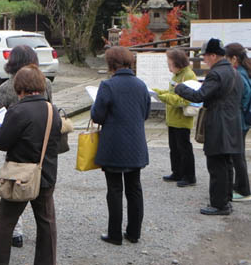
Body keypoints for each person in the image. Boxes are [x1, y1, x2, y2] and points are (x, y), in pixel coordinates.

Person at [0, 65, 62, 265]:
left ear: (19, 87)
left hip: (19, 176)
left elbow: (1, 142)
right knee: (46, 223)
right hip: (45, 172)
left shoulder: (17, 111)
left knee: (6, 222)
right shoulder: (51, 109)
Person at [175, 38, 243, 215]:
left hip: (218, 123)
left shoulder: (216, 73)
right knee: (227, 164)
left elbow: (200, 96)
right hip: (232, 122)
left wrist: (180, 88)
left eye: (205, 56)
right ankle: (226, 200)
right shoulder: (235, 72)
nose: (204, 59)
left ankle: (218, 204)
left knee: (216, 165)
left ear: (214, 55)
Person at [0, 44, 53, 249]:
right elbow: (49, 112)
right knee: (45, 217)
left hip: (18, 155)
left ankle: (16, 235)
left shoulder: (6, 88)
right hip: (44, 154)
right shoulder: (45, 84)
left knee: (10, 207)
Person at [91, 46, 150, 245]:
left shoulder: (107, 86)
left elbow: (97, 115)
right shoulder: (141, 85)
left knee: (114, 189)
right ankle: (134, 233)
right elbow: (146, 113)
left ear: (111, 64)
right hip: (136, 142)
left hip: (114, 143)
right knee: (134, 188)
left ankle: (114, 234)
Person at [152, 48, 197, 187]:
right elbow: (171, 92)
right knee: (174, 148)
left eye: (170, 63)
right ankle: (177, 172)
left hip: (182, 119)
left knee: (184, 148)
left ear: (178, 63)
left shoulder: (188, 75)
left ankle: (189, 176)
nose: (169, 66)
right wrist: (156, 91)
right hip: (172, 118)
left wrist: (162, 97)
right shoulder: (177, 75)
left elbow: (184, 99)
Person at [224, 43, 251, 202]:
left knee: (237, 156)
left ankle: (244, 190)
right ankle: (240, 185)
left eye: (227, 58)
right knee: (238, 155)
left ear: (234, 58)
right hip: (242, 119)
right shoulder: (242, 71)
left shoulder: (238, 75)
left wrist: (238, 108)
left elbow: (245, 95)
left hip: (239, 119)